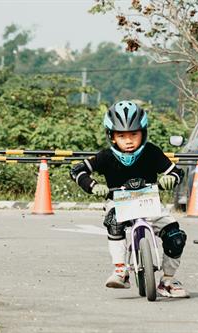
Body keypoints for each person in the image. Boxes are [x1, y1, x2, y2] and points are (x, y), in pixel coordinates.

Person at [69, 100, 189, 298]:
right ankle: (120, 271)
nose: (129, 140)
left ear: (143, 132)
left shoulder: (151, 152)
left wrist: (170, 178)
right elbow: (77, 171)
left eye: (134, 134)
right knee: (114, 223)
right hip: (118, 202)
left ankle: (168, 280)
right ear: (112, 136)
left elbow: (176, 171)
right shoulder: (106, 156)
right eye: (121, 135)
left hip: (150, 202)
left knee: (175, 237)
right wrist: (93, 186)